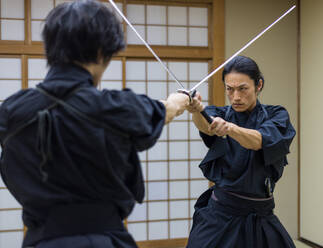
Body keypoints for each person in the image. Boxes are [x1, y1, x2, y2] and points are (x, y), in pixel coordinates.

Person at [0, 1, 190, 247]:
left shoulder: (11, 111)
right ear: (102, 52)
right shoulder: (117, 107)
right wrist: (182, 99)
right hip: (103, 239)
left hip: (41, 240)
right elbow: (167, 109)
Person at [186, 55, 296, 248]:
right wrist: (196, 110)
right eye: (230, 89)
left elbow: (259, 140)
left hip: (261, 215)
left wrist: (230, 128)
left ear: (258, 85)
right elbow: (206, 125)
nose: (236, 97)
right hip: (221, 214)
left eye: (243, 88)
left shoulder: (277, 115)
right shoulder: (220, 114)